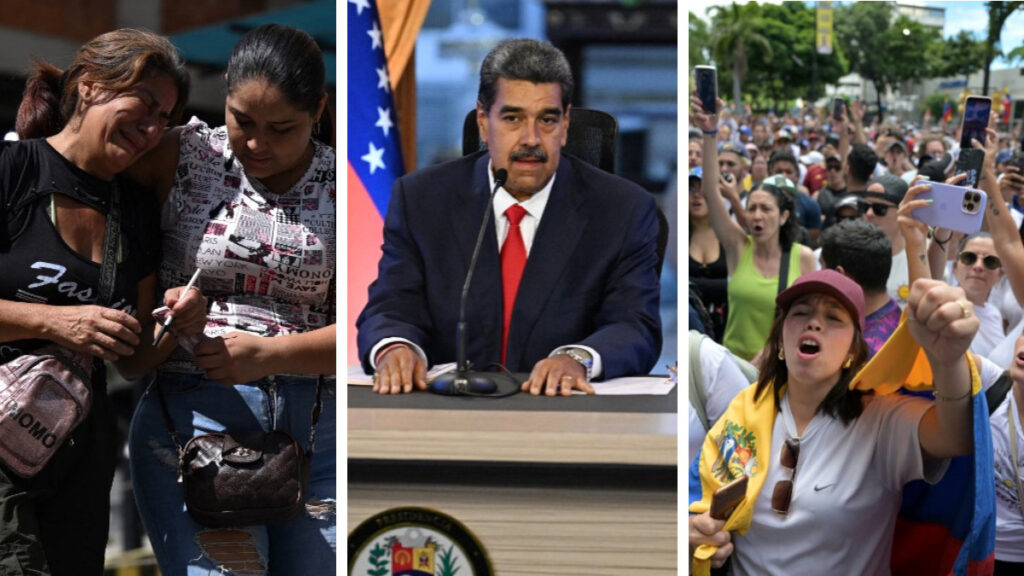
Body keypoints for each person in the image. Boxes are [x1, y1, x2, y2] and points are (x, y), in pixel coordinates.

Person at [126, 24, 336, 574]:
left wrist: (268, 356)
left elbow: (371, 331)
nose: (257, 144)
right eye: (242, 120)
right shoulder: (178, 155)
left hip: (317, 429)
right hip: (194, 421)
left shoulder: (349, 186)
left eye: (281, 128)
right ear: (224, 95)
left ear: (319, 108)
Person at [357, 38, 661, 396]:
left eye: (547, 120)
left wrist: (577, 358)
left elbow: (634, 324)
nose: (530, 139)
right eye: (513, 118)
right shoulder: (421, 200)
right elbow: (392, 304)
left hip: (562, 416)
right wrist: (395, 348)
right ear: (484, 121)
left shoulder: (623, 210)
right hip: (444, 414)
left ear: (565, 125)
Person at [0, 29, 197, 575]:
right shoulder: (15, 171)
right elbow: (71, 325)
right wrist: (54, 321)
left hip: (79, 450)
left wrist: (179, 324)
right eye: (147, 105)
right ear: (89, 86)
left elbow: (132, 359)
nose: (154, 129)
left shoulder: (133, 210)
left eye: (167, 118)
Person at [689, 270, 979, 575]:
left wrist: (948, 360)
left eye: (834, 318)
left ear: (853, 351)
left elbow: (955, 437)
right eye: (801, 312)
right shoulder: (742, 412)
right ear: (780, 342)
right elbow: (698, 500)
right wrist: (696, 532)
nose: (814, 323)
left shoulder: (881, 420)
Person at [691, 94, 816, 363]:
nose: (757, 216)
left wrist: (767, 356)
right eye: (752, 209)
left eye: (766, 209)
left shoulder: (803, 257)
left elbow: (809, 320)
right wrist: (709, 131)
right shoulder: (738, 247)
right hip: (732, 370)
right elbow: (711, 193)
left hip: (780, 368)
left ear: (783, 216)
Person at [820, 219, 900, 357]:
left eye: (822, 266)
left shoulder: (857, 352)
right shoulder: (901, 318)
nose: (818, 274)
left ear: (840, 276)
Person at [689, 167, 727, 341]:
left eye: (703, 190)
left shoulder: (730, 236)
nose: (696, 195)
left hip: (725, 331)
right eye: (690, 189)